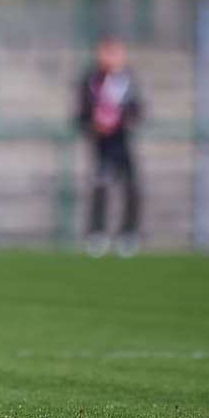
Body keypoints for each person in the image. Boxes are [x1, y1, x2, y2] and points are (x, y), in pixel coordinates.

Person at [76, 35, 143, 258]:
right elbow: (81, 113)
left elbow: (137, 110)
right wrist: (95, 121)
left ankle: (129, 233)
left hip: (121, 140)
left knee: (131, 184)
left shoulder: (127, 79)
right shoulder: (91, 80)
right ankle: (97, 233)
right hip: (102, 143)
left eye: (115, 52)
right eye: (106, 51)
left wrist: (120, 118)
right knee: (100, 185)